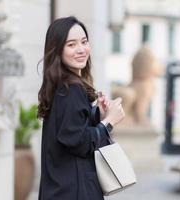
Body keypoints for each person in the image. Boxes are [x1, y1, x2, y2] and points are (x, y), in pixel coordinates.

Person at [37, 16, 125, 200]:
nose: (81, 50)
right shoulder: (71, 89)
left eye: (84, 42)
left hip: (59, 189)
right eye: (71, 44)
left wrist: (96, 115)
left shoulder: (60, 86)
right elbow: (80, 142)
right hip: (74, 191)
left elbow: (69, 131)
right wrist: (109, 122)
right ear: (57, 49)